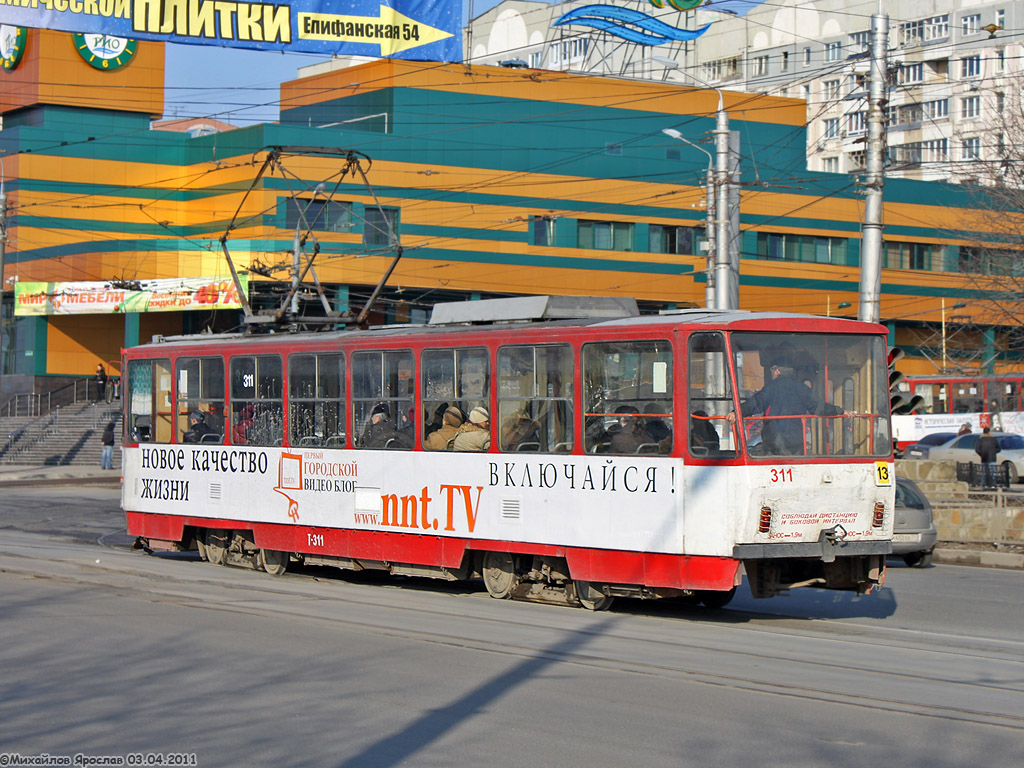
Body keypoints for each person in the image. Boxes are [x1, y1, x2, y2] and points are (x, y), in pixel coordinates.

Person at [726, 359, 847, 456]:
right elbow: (819, 407)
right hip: (796, 442)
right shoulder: (802, 389)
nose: (772, 373)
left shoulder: (771, 387)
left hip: (774, 442)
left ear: (777, 371)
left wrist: (737, 413)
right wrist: (841, 411)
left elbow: (755, 403)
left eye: (772, 370)